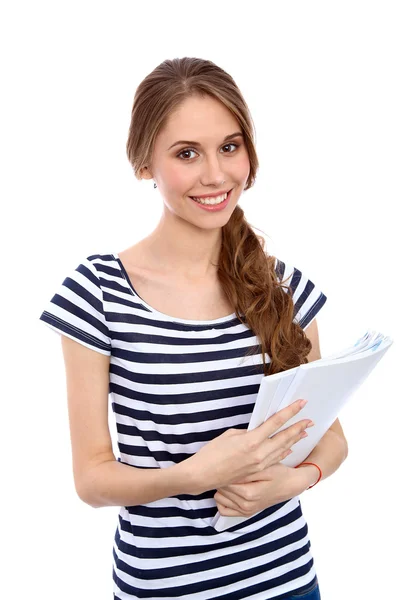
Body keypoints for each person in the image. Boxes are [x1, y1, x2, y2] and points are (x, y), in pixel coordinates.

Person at [39, 57, 348, 600]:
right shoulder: (98, 292)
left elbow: (332, 438)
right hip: (164, 590)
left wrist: (294, 481)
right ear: (144, 165)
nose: (216, 175)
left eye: (230, 146)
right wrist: (193, 475)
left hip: (288, 584)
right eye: (187, 154)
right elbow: (91, 480)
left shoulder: (285, 288)